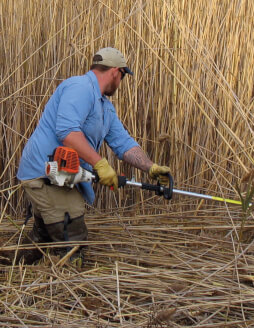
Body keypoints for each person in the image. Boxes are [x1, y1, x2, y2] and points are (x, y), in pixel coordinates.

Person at [14, 47, 171, 266]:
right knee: (73, 236)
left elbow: (123, 144)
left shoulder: (105, 107)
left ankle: (9, 269)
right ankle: (67, 289)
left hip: (61, 175)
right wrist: (101, 164)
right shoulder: (80, 88)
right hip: (44, 173)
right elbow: (67, 132)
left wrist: (151, 167)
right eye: (123, 76)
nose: (121, 82)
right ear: (116, 72)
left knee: (44, 238)